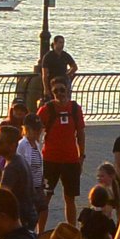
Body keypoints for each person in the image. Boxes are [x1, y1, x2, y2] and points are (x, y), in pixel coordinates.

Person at [34, 78, 87, 225]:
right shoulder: (46, 109)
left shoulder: (75, 109)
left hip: (71, 161)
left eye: (62, 90)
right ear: (52, 93)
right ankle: (39, 233)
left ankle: (71, 231)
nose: (59, 93)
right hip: (50, 160)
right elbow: (34, 130)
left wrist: (81, 156)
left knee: (70, 198)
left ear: (68, 90)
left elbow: (81, 133)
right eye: (56, 91)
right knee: (45, 198)